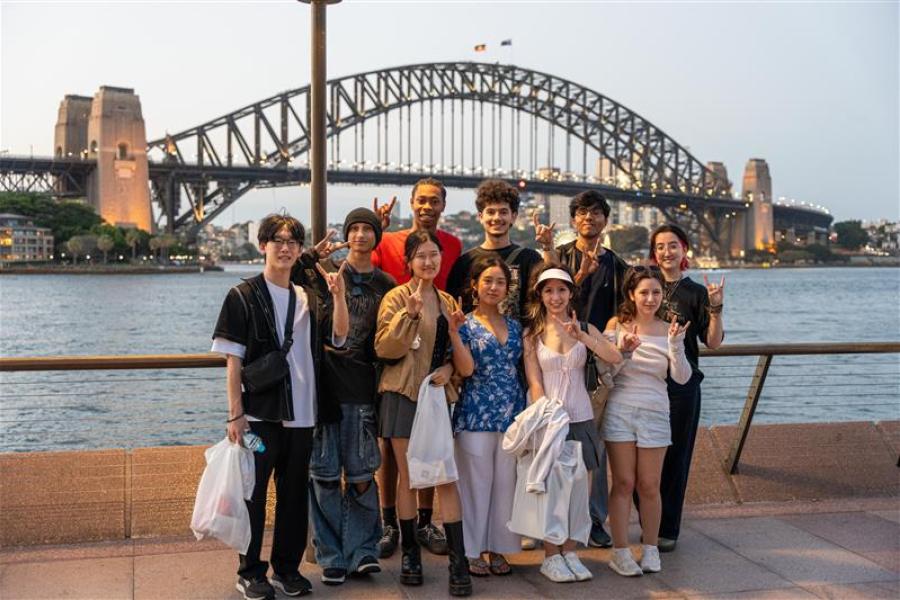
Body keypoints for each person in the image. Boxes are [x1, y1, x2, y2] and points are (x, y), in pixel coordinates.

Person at [212, 213, 348, 600]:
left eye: (293, 241)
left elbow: (338, 338)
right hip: (258, 419)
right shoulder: (241, 296)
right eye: (277, 240)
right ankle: (250, 571)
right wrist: (236, 415)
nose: (285, 247)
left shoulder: (308, 296)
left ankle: (286, 568)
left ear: (300, 250)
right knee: (253, 493)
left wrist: (338, 296)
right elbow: (233, 359)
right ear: (263, 247)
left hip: (302, 417)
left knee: (292, 496)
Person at [374, 229, 472, 597]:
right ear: (409, 261)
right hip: (402, 394)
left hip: (435, 398)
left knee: (445, 477)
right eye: (421, 256)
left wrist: (450, 371)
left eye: (434, 255)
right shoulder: (396, 297)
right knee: (408, 477)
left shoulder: (449, 301)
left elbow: (455, 355)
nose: (429, 262)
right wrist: (409, 317)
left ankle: (458, 561)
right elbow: (385, 348)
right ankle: (410, 555)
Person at [372, 178, 461, 558]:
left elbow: (458, 304)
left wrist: (450, 365)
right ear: (412, 202)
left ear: (443, 205)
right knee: (391, 454)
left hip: (435, 358)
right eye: (421, 200)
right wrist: (378, 231)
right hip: (396, 352)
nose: (427, 206)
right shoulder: (388, 241)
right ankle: (390, 521)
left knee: (430, 453)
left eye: (434, 201)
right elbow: (365, 271)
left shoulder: (454, 245)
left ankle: (424, 522)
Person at [307, 208, 396, 585]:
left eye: (367, 229)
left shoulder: (386, 283)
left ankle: (362, 551)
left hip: (362, 386)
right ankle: (331, 556)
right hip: (324, 385)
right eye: (353, 228)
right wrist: (313, 254)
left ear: (377, 236)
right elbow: (288, 273)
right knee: (325, 475)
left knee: (361, 474)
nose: (359, 235)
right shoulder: (325, 274)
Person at [521, 264, 624, 583]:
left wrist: (582, 337)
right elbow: (534, 380)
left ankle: (570, 551)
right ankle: (551, 556)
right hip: (551, 421)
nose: (556, 296)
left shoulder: (586, 327)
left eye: (562, 290)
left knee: (580, 492)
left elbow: (614, 356)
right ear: (539, 294)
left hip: (582, 418)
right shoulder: (532, 334)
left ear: (571, 293)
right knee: (552, 493)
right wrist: (546, 415)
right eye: (549, 290)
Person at [602, 267, 692, 577]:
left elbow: (681, 378)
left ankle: (651, 549)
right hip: (620, 409)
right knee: (624, 483)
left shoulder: (671, 328)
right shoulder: (616, 326)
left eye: (655, 292)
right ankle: (621, 551)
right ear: (631, 295)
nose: (650, 298)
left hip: (655, 411)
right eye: (643, 292)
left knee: (650, 485)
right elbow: (606, 376)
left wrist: (676, 345)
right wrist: (622, 354)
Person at [553, 190, 628, 549]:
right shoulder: (559, 259)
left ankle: (595, 518)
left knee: (593, 443)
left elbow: (623, 312)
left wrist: (607, 335)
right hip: (558, 357)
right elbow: (548, 300)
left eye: (597, 213)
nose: (589, 219)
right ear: (573, 220)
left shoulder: (618, 265)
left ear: (605, 220)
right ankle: (552, 518)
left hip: (595, 361)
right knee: (553, 439)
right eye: (582, 212)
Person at [647, 224, 725, 552]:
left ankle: (668, 528)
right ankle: (649, 518)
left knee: (676, 459)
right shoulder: (641, 286)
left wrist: (716, 307)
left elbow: (713, 342)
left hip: (682, 387)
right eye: (660, 246)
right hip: (644, 383)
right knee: (641, 459)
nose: (666, 252)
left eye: (673, 246)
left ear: (684, 250)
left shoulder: (695, 292)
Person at [450, 256, 525, 577]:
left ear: (508, 288)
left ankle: (498, 548)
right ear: (475, 286)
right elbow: (465, 369)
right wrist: (453, 333)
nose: (494, 287)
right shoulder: (464, 323)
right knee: (475, 485)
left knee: (506, 485)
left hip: (512, 413)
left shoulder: (516, 326)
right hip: (475, 414)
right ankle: (472, 550)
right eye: (488, 281)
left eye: (500, 282)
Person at [446, 178, 548, 320]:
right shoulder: (464, 263)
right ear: (481, 217)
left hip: (519, 340)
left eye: (503, 212)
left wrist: (548, 247)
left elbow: (548, 296)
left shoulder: (530, 259)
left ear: (513, 217)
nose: (497, 217)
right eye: (491, 212)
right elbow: (453, 307)